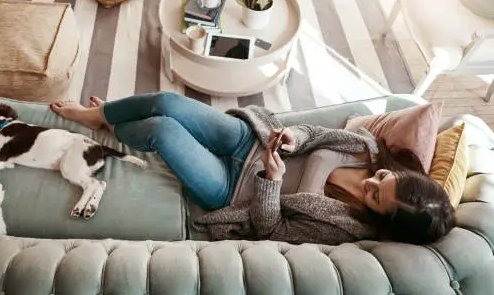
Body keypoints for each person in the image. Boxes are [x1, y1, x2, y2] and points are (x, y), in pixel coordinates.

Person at [50, 92, 455, 245]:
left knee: (162, 129)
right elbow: (314, 134)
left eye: (374, 197)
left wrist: (272, 182)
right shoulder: (367, 148)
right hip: (249, 142)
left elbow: (272, 229)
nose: (371, 182)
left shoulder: (345, 227)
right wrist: (295, 136)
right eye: (384, 178)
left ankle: (112, 126)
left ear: (380, 218)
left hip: (232, 188)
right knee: (168, 102)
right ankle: (99, 114)